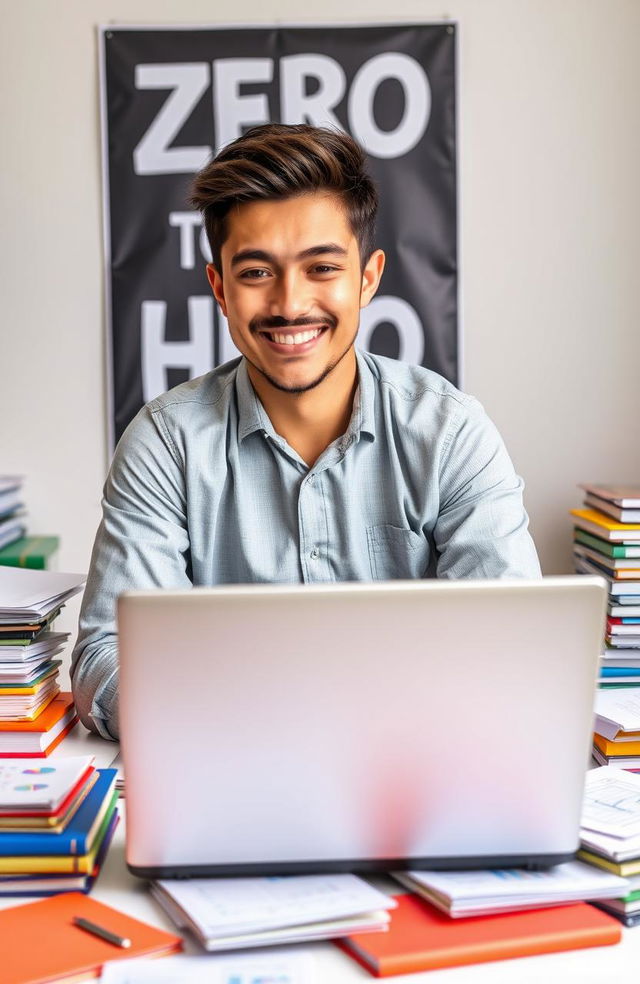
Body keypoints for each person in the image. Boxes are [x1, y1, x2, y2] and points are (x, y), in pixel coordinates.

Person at [71, 123, 540, 740]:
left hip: (413, 777)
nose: (291, 304)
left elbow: (511, 644)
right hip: (229, 772)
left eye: (321, 267)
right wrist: (267, 720)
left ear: (368, 278)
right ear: (220, 288)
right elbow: (106, 658)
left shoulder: (450, 433)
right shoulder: (165, 443)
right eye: (257, 272)